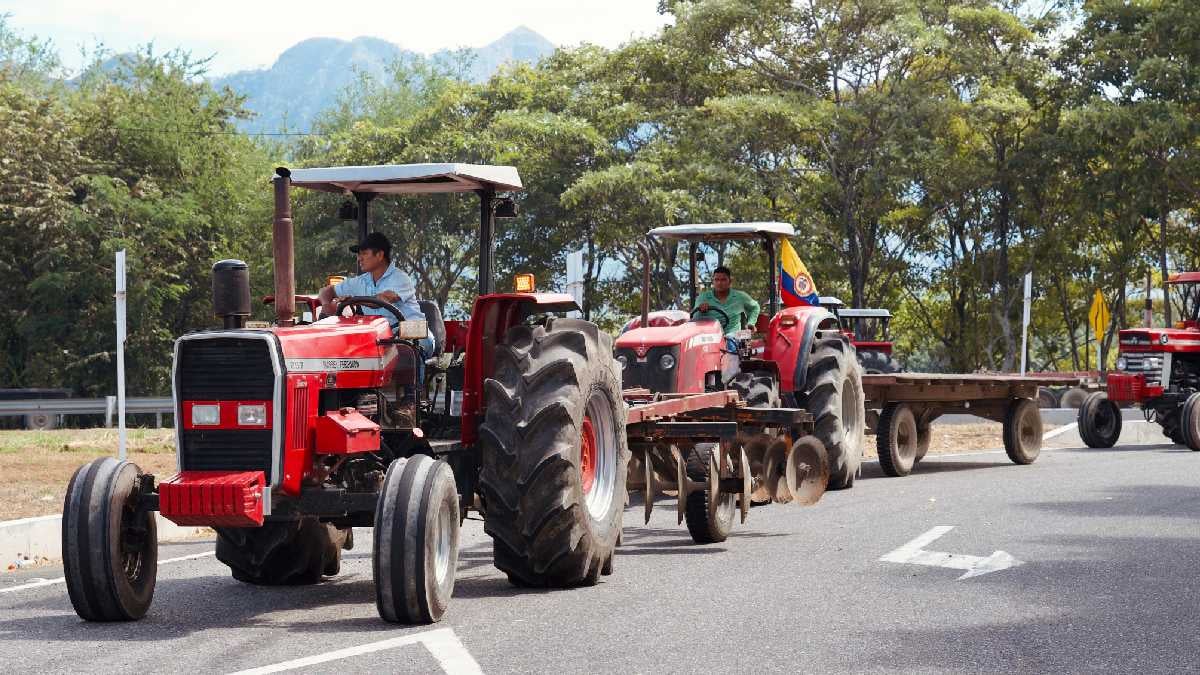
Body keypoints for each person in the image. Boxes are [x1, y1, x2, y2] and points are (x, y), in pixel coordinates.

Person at [317, 232, 434, 357]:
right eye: (359, 254)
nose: (359, 258)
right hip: (381, 337)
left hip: (412, 331)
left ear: (379, 255)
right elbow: (326, 291)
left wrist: (355, 300)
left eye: (364, 254)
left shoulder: (400, 278)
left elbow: (383, 299)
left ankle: (414, 374)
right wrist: (326, 306)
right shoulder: (359, 282)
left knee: (407, 351)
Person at [695, 265, 760, 337]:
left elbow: (755, 307)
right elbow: (694, 320)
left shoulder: (740, 296)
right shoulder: (703, 298)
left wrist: (751, 323)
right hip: (710, 336)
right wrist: (700, 311)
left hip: (734, 336)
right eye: (716, 280)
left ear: (730, 281)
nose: (719, 283)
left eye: (723, 280)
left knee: (739, 336)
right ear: (713, 282)